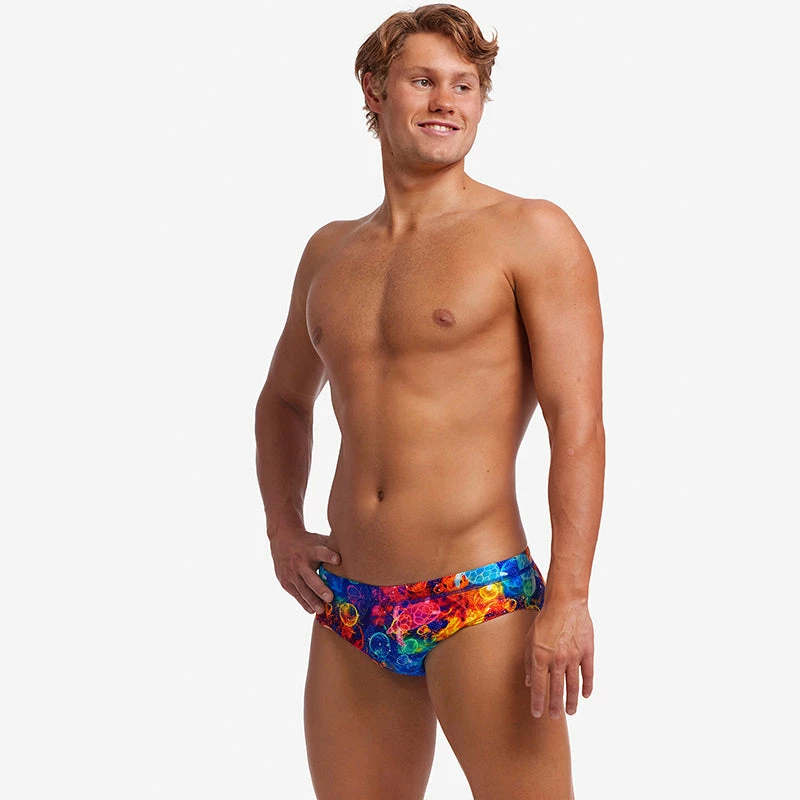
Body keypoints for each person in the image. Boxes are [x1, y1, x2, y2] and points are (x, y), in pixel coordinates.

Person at [254, 4, 604, 798]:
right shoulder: (330, 250)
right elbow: (282, 401)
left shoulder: (531, 232)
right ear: (374, 90)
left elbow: (578, 426)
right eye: (423, 81)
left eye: (464, 85)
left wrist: (571, 598)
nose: (447, 101)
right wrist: (282, 526)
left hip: (479, 598)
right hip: (350, 606)